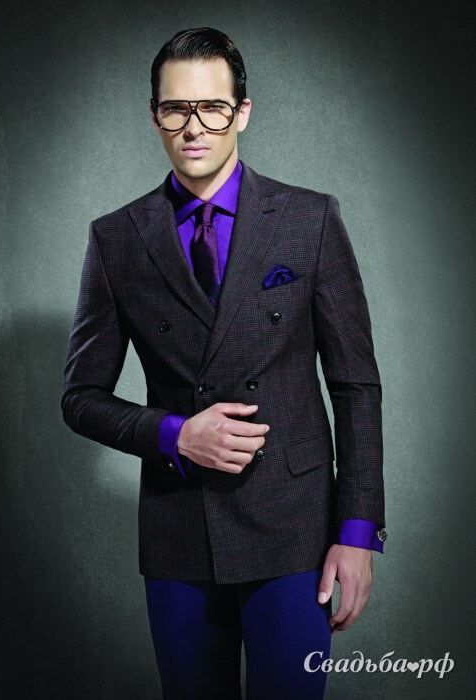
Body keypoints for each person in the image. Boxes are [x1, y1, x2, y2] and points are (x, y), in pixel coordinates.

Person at [61, 26, 387, 700]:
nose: (194, 127)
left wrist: (357, 534)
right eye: (175, 108)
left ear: (242, 112)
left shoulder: (309, 219)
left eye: (212, 107)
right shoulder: (118, 238)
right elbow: (81, 397)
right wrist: (176, 433)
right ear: (155, 116)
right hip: (178, 527)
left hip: (294, 525)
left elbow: (355, 384)